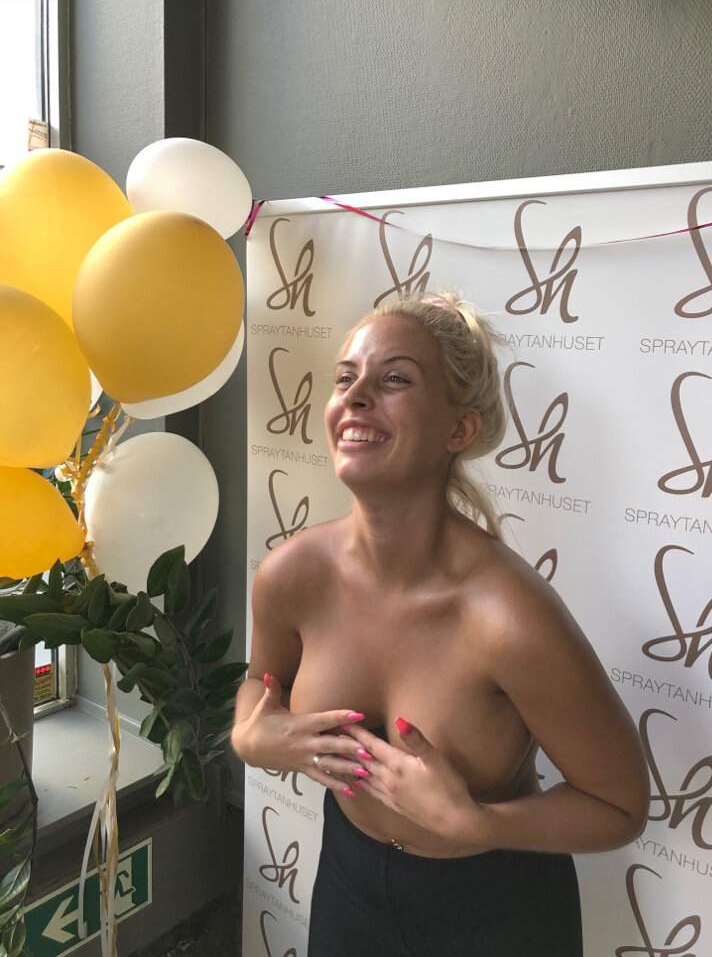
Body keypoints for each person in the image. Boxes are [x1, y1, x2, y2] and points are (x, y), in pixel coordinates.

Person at [232, 292, 649, 957]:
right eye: (345, 378)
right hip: (348, 881)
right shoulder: (290, 575)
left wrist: (480, 823)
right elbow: (262, 684)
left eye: (395, 379)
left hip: (497, 910)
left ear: (459, 429)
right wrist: (251, 736)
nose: (356, 397)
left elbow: (620, 807)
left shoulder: (509, 616)